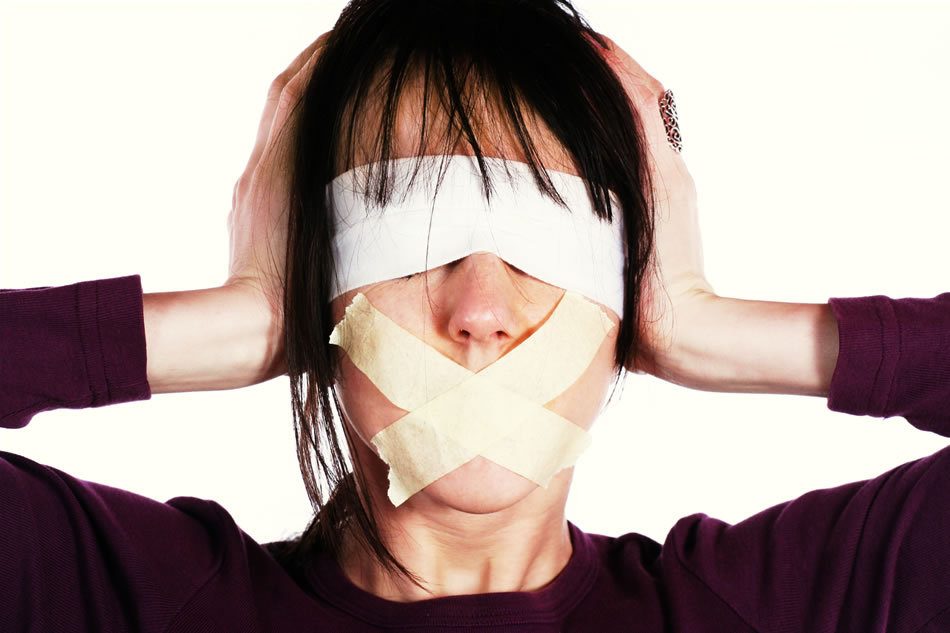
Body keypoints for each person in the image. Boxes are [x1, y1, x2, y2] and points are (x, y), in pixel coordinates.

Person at [2, 1, 949, 631]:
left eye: (551, 240)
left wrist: (706, 326)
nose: (482, 312)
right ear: (320, 277)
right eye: (401, 232)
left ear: (626, 288)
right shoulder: (133, 598)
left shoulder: (772, 608)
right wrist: (238, 315)